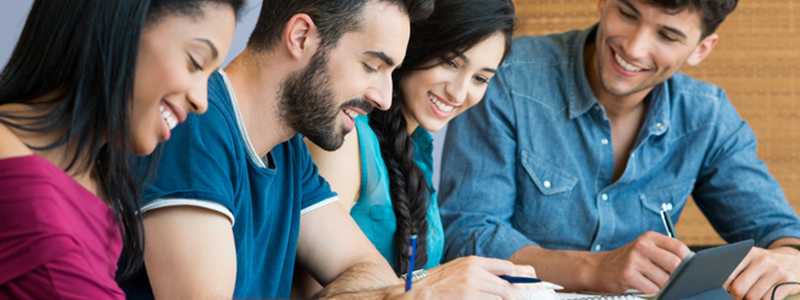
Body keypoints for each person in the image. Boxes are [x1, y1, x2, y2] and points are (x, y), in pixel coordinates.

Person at [119, 1, 520, 299]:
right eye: (371, 66)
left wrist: (395, 296)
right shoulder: (197, 127)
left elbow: (365, 268)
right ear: (301, 36)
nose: (383, 97)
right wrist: (422, 294)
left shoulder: (288, 147)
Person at [439, 0, 800, 299]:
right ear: (604, 2)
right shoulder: (508, 77)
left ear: (701, 49)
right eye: (627, 14)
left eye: (667, 35)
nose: (633, 47)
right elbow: (468, 233)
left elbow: (783, 233)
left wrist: (786, 260)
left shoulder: (706, 116)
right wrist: (596, 268)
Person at [0, 0, 240, 299]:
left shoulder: (95, 185)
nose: (201, 101)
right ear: (122, 21)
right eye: (195, 61)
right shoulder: (27, 197)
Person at [302, 0, 536, 299]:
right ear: (414, 44)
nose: (459, 92)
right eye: (450, 62)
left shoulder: (418, 150)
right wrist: (432, 284)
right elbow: (310, 292)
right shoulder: (345, 138)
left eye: (480, 79)